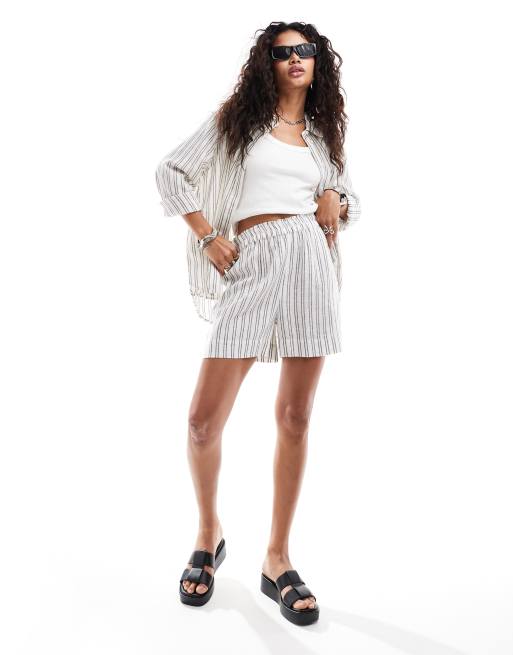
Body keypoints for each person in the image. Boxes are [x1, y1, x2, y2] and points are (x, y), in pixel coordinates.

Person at [155, 21, 361, 626]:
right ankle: (208, 533)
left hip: (310, 268)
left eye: (306, 50)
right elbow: (171, 171)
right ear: (266, 63)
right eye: (283, 52)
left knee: (295, 417)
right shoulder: (237, 121)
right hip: (253, 262)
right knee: (202, 422)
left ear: (318, 63)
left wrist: (338, 201)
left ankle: (277, 558)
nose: (296, 58)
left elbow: (347, 204)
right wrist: (208, 236)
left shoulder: (323, 137)